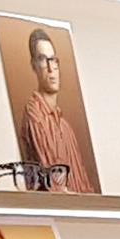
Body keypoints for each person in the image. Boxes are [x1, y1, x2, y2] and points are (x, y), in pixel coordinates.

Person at [17, 25, 94, 190]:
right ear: (34, 65)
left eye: (53, 60)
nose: (51, 68)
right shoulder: (35, 115)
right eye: (43, 60)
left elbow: (84, 186)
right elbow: (55, 188)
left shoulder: (66, 128)